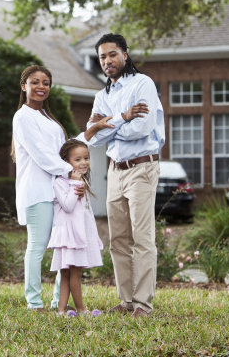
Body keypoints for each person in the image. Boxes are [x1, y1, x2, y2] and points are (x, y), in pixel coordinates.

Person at [79, 33, 165, 317]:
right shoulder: (101, 95)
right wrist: (122, 117)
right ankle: (126, 300)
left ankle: (143, 303)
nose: (107, 61)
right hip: (115, 171)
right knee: (118, 240)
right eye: (102, 57)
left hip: (142, 167)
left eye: (112, 54)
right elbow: (92, 140)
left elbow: (142, 128)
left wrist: (107, 125)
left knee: (142, 237)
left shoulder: (143, 84)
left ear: (125, 55)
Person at [11, 65, 110, 311]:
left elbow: (67, 150)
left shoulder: (48, 119)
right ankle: (34, 302)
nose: (41, 86)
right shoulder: (22, 117)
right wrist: (73, 174)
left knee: (64, 247)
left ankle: (59, 302)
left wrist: (93, 129)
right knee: (38, 246)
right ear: (24, 86)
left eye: (46, 82)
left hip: (59, 192)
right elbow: (43, 156)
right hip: (37, 192)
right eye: (35, 82)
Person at [47, 139, 107, 316]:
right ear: (66, 162)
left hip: (80, 235)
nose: (84, 163)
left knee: (69, 273)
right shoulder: (61, 182)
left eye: (86, 158)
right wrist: (74, 184)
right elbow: (67, 206)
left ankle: (62, 310)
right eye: (78, 159)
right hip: (70, 236)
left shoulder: (81, 182)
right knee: (71, 274)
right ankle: (80, 309)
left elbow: (86, 214)